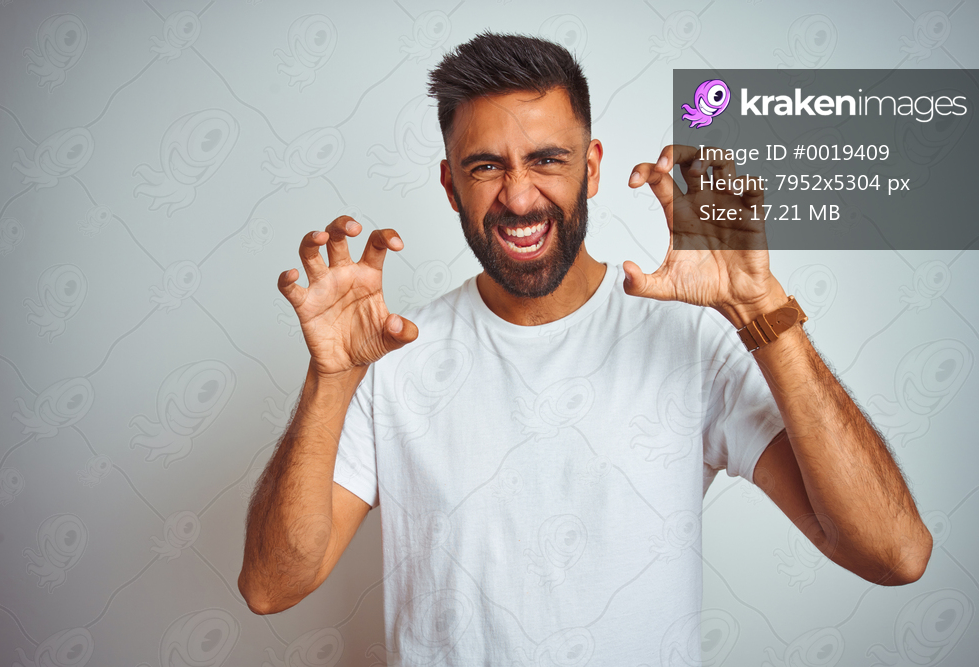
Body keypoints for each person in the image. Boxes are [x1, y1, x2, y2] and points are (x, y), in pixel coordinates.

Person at [238, 32, 932, 664]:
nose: (517, 196)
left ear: (591, 168)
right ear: (450, 184)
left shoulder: (690, 341)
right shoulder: (392, 360)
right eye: (485, 166)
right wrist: (329, 377)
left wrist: (762, 310)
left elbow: (895, 553)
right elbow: (271, 587)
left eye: (547, 159)